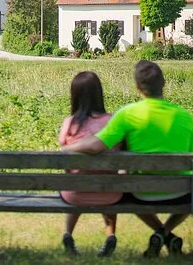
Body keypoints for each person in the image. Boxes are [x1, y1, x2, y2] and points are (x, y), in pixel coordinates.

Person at [62, 60, 193, 258]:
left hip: (142, 193)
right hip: (181, 192)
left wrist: (67, 148)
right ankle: (164, 232)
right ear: (164, 83)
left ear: (137, 87)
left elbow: (96, 145)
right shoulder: (185, 116)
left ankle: (162, 233)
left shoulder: (127, 114)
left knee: (126, 191)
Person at [58, 71, 122, 257]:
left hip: (75, 195)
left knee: (77, 181)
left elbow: (63, 152)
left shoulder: (69, 123)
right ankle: (110, 235)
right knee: (105, 181)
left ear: (75, 95)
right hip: (109, 194)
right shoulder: (112, 122)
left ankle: (68, 233)